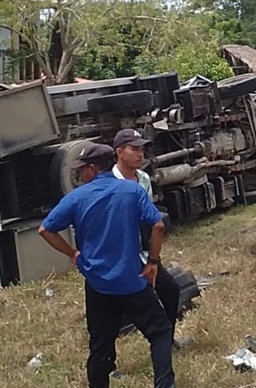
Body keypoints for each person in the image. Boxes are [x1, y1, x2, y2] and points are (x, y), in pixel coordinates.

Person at [39, 142, 176, 388]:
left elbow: (45, 230)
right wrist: (153, 262)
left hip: (98, 283)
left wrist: (73, 253)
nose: (79, 174)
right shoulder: (131, 191)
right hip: (132, 280)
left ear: (92, 169)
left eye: (82, 169)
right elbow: (158, 226)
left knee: (101, 345)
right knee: (160, 332)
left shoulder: (76, 198)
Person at [111, 129, 187, 354]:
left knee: (170, 290)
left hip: (144, 251)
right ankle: (108, 359)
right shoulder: (110, 182)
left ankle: (168, 341)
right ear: (119, 152)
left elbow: (149, 216)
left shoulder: (143, 179)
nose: (140, 154)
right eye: (134, 149)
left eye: (142, 149)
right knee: (115, 308)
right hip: (121, 255)